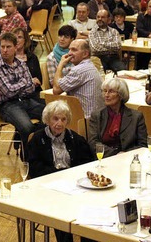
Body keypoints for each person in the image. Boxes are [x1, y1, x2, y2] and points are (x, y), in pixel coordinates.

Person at [26, 100, 94, 242]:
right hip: (47, 188)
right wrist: (58, 174)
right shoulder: (37, 139)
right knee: (62, 210)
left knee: (91, 209)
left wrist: (72, 177)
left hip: (75, 187)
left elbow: (87, 162)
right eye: (55, 119)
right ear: (47, 119)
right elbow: (33, 167)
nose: (60, 123)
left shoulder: (75, 138)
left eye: (63, 119)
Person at [0, 32, 44, 147]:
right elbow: (8, 92)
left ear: (15, 48)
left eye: (8, 47)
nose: (4, 50)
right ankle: (28, 158)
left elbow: (32, 89)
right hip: (7, 106)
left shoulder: (21, 64)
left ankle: (41, 151)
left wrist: (21, 86)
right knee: (27, 127)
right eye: (2, 47)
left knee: (51, 115)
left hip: (26, 100)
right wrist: (26, 82)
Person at [87, 78, 147, 157]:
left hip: (128, 160)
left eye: (111, 91)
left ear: (121, 95)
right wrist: (115, 154)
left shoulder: (136, 117)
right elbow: (93, 143)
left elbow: (142, 145)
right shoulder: (97, 116)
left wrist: (125, 155)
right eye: (105, 91)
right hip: (104, 159)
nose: (106, 95)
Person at [53, 39, 104, 119]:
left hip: (84, 120)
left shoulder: (79, 70)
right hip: (96, 117)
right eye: (69, 49)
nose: (69, 53)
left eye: (74, 50)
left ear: (85, 54)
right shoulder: (90, 65)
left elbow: (56, 90)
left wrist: (61, 64)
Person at [14, 27, 42, 100]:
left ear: (25, 40)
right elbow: (13, 83)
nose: (16, 40)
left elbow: (39, 80)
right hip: (19, 96)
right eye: (14, 37)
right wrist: (30, 81)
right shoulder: (9, 59)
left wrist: (24, 83)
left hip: (35, 93)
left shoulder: (32, 57)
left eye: (19, 37)